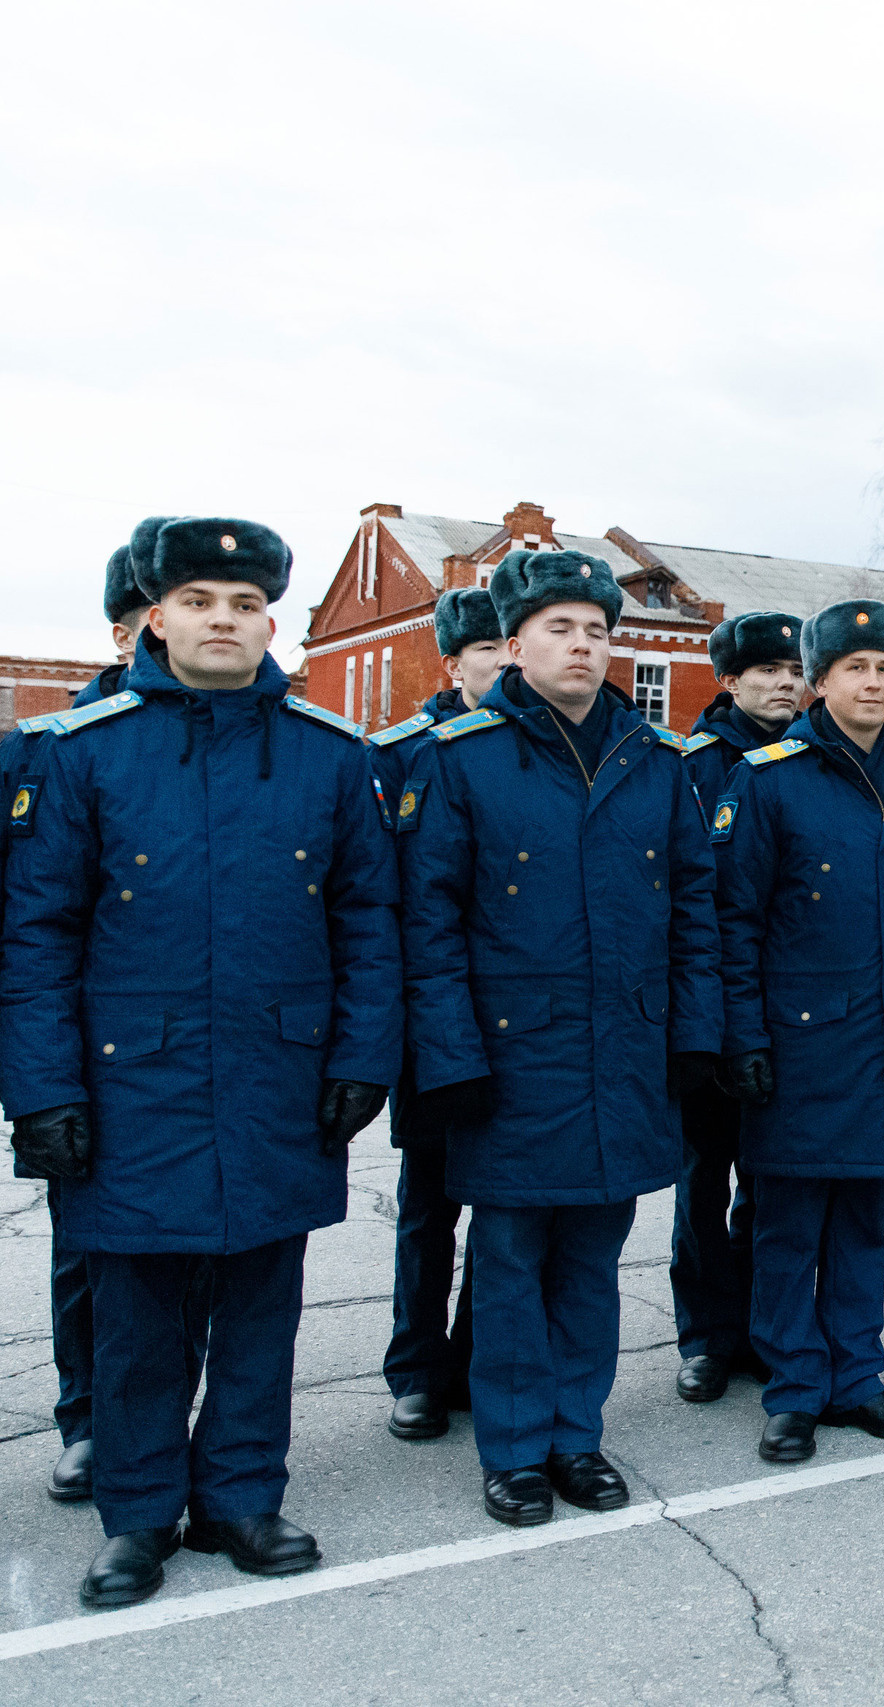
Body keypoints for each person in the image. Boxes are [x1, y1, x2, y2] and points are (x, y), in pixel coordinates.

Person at [3, 515, 398, 1607]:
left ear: (269, 619)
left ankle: (241, 1499)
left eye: (243, 604)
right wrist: (39, 1091)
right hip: (130, 1088)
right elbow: (35, 938)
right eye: (198, 602)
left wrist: (363, 1057)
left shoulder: (329, 753)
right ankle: (138, 1518)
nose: (222, 621)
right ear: (157, 616)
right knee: (135, 1320)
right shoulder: (80, 753)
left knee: (262, 1305)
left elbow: (369, 922)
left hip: (281, 1081)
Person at [399, 547, 721, 1528]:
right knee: (507, 1266)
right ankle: (513, 1449)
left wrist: (696, 1043)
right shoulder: (461, 761)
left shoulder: (657, 765)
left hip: (624, 1059)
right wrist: (451, 1060)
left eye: (595, 630)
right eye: (558, 629)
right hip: (510, 1067)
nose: (581, 646)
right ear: (515, 644)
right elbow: (429, 925)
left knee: (591, 1262)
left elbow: (696, 912)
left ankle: (575, 1438)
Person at [710, 599, 884, 1461]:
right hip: (798, 1045)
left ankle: (856, 1377)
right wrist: (742, 1039)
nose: (873, 683)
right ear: (819, 679)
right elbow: (734, 923)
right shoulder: (771, 778)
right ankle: (793, 1388)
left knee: (867, 1219)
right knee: (789, 1226)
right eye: (855, 667)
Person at [3, 543, 160, 1508]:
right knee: (84, 1251)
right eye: (157, 612)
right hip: (84, 1045)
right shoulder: (48, 745)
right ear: (123, 631)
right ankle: (87, 1416)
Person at [372, 587, 507, 1444]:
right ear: (454, 666)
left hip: (515, 1030)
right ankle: (419, 1370)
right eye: (489, 650)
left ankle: (475, 1359)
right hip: (428, 1026)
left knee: (504, 1213)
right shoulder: (398, 756)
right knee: (429, 1212)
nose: (506, 661)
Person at [664, 611, 804, 1400]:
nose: (786, 682)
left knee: (773, 1177)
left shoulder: (811, 759)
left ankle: (763, 1324)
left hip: (787, 1010)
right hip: (710, 1005)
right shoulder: (693, 764)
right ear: (729, 681)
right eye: (767, 670)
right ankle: (705, 1336)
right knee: (703, 1179)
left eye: (794, 668)